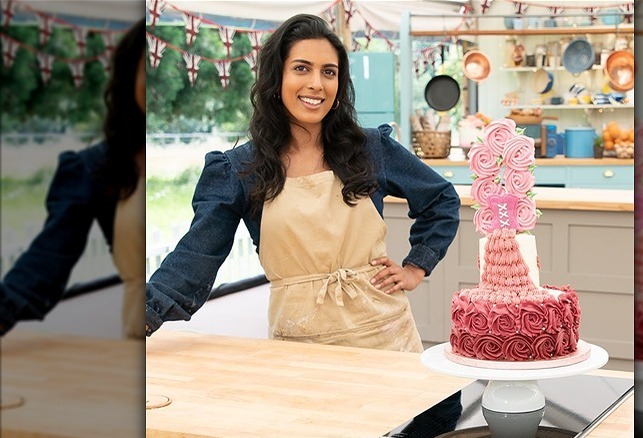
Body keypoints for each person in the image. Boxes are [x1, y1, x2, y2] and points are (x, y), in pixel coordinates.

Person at [144, 13, 462, 437]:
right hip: (300, 344)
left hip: (382, 335)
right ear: (276, 80)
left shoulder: (370, 148)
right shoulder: (241, 169)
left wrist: (416, 266)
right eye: (302, 69)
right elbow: (195, 258)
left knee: (415, 422)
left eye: (328, 72)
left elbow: (441, 199)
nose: (316, 84)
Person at [0, 19, 146, 339]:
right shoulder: (95, 168)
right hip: (143, 333)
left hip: (214, 338)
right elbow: (48, 258)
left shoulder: (221, 163)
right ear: (129, 78)